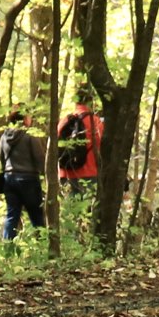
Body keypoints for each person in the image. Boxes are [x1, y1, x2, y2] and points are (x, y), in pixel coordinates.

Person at [55, 90, 102, 226]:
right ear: (90, 102)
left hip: (67, 172)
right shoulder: (95, 121)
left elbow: (56, 146)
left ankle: (72, 240)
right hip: (89, 172)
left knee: (71, 213)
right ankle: (86, 241)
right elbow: (102, 145)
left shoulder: (64, 121)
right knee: (89, 212)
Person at [0, 108, 46, 240]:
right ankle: (42, 245)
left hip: (9, 179)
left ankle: (7, 248)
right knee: (36, 216)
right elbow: (40, 157)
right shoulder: (29, 135)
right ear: (24, 119)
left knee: (12, 216)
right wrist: (43, 175)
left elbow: (1, 159)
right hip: (29, 179)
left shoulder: (4, 137)